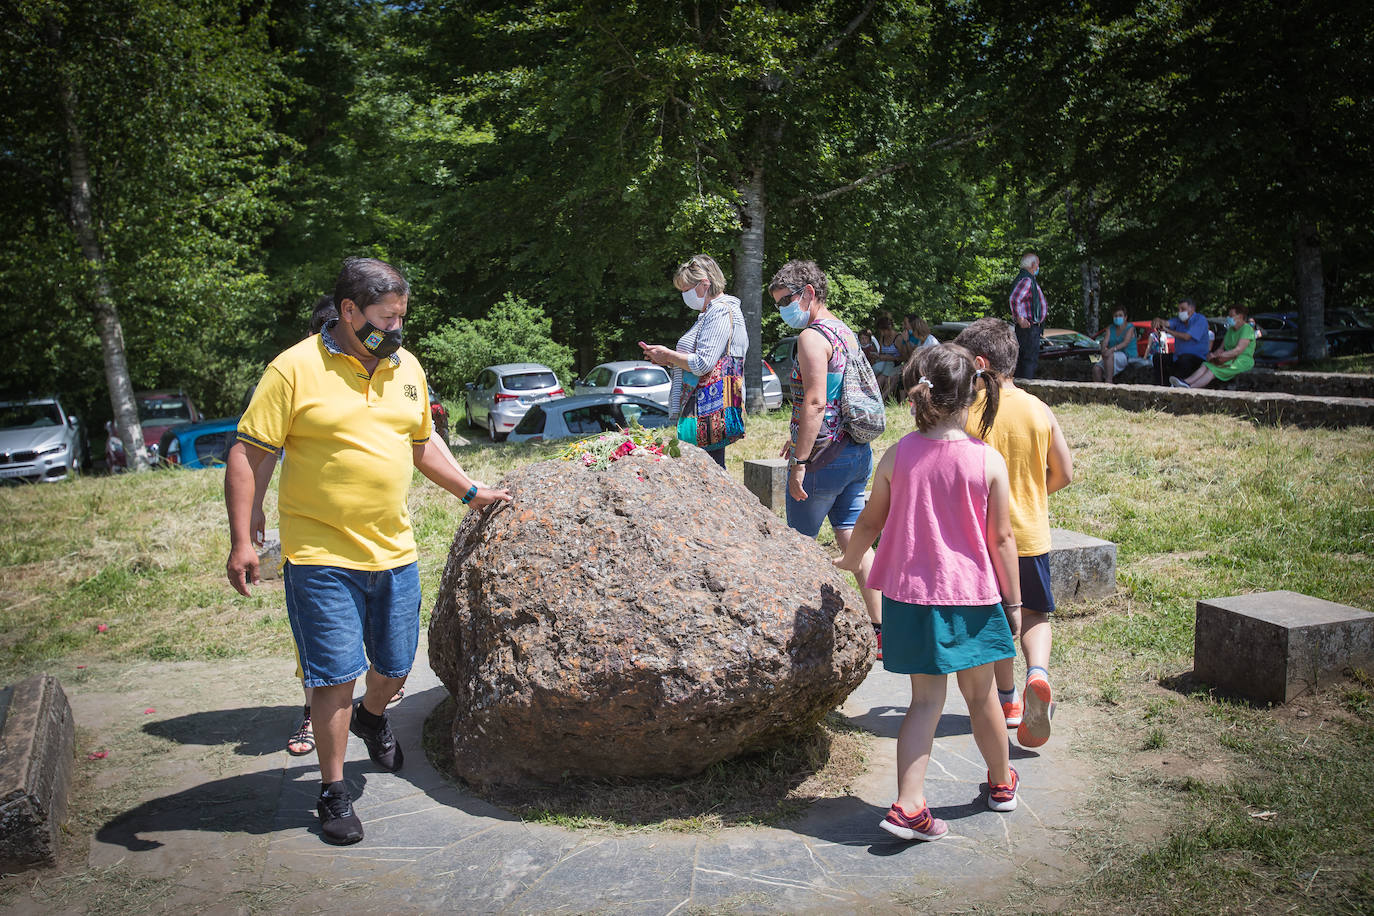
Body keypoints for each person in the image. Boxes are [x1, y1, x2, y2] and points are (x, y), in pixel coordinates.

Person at [225, 257, 512, 846]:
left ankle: (373, 717)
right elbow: (249, 453)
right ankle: (332, 792)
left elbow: (420, 441)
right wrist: (241, 537)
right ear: (349, 312)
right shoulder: (293, 369)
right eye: (386, 317)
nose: (397, 329)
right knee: (333, 676)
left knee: (396, 664)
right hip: (318, 554)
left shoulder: (406, 366)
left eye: (402, 317)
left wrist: (470, 491)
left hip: (394, 549)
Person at [836, 344, 1022, 841]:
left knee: (924, 703)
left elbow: (870, 520)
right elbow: (1002, 539)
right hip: (972, 599)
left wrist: (851, 560)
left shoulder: (898, 453)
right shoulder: (988, 461)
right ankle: (1002, 784)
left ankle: (908, 804)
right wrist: (1015, 603)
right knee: (982, 696)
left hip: (911, 597)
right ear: (971, 397)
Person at [954, 318, 1073, 749]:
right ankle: (1038, 675)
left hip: (982, 541)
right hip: (1032, 535)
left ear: (981, 364)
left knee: (998, 620)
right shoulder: (1038, 408)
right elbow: (1064, 472)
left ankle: (1008, 702)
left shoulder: (966, 412)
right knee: (1036, 615)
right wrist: (1033, 492)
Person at [769, 259, 885, 656]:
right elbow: (832, 399)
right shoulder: (844, 331)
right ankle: (882, 631)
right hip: (856, 452)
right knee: (855, 540)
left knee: (798, 547)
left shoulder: (811, 339)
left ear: (809, 293)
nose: (782, 309)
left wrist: (800, 462)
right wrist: (796, 435)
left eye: (786, 300)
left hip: (822, 460)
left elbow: (817, 403)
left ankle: (801, 640)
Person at [639, 254, 747, 469]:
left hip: (709, 406)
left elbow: (702, 364)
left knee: (709, 470)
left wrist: (668, 355)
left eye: (686, 290)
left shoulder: (720, 311)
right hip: (706, 406)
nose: (684, 295)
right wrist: (668, 361)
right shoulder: (709, 313)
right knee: (707, 467)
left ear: (704, 284)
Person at [1172, 304, 1256, 389]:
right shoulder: (1230, 330)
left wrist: (1219, 356)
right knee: (1206, 364)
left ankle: (1190, 388)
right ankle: (1185, 382)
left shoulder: (1247, 329)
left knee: (1213, 370)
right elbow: (1221, 348)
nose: (1228, 318)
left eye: (1231, 316)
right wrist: (1212, 356)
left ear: (1240, 316)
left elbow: (1238, 350)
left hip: (1241, 360)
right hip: (1228, 358)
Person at [1010, 251, 1049, 379]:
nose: (1038, 267)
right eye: (1038, 264)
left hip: (1029, 328)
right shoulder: (1027, 279)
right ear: (1033, 265)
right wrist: (1020, 318)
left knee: (1023, 361)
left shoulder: (1024, 278)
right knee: (1028, 360)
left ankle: (1021, 388)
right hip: (1028, 328)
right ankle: (1025, 389)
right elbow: (1015, 299)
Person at [1154, 297, 1209, 386]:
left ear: (1192, 309)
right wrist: (1159, 321)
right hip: (1179, 356)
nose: (1180, 312)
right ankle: (1162, 385)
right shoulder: (1178, 320)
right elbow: (1167, 323)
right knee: (1158, 358)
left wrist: (1168, 331)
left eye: (1183, 309)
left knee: (1184, 361)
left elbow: (1187, 337)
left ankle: (1180, 385)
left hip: (1196, 358)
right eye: (1179, 309)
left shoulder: (1200, 320)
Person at [1092, 307, 1137, 383]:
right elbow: (1105, 341)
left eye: (1120, 315)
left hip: (1126, 355)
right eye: (1115, 316)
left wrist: (1111, 349)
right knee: (1096, 369)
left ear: (1125, 317)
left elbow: (1125, 342)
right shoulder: (1110, 328)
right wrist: (1103, 349)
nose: (1117, 317)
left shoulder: (1130, 327)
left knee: (1110, 355)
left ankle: (1109, 381)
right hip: (1112, 355)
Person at [870, 313, 905, 398]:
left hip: (897, 365)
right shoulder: (882, 338)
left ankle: (882, 400)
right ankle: (874, 398)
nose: (882, 333)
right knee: (879, 379)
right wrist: (878, 356)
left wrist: (891, 358)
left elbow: (904, 357)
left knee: (888, 380)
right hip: (885, 364)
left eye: (883, 330)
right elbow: (881, 353)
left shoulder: (898, 338)